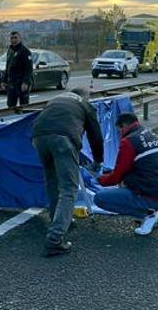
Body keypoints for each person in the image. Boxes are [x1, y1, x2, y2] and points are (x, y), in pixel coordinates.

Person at [32, 87, 104, 257]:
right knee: (69, 189)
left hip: (38, 138)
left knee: (52, 182)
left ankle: (57, 220)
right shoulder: (84, 105)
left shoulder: (55, 100)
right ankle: (55, 239)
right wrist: (98, 160)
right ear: (84, 96)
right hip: (63, 139)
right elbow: (96, 135)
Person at [94, 112, 158, 236]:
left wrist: (99, 179)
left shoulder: (128, 142)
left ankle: (148, 215)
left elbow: (117, 176)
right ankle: (148, 210)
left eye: (119, 130)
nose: (120, 134)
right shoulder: (149, 134)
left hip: (156, 194)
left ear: (123, 126)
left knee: (100, 198)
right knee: (126, 181)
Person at [0, 31, 33, 109]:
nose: (13, 40)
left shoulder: (25, 51)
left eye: (15, 38)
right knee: (10, 106)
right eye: (11, 38)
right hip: (12, 83)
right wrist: (3, 81)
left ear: (20, 39)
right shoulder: (10, 51)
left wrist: (25, 82)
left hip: (21, 83)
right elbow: (8, 67)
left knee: (24, 106)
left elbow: (29, 69)